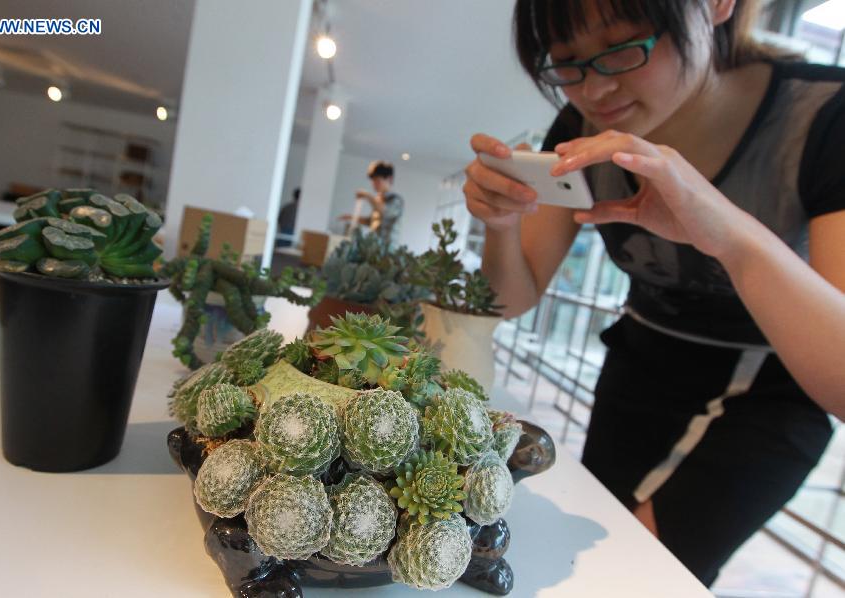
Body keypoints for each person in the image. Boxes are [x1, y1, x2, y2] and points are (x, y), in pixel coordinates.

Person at [464, 0, 845, 586]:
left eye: (623, 45)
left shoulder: (822, 115)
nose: (596, 87)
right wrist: (501, 224)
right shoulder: (578, 129)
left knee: (641, 578)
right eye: (568, 62)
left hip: (771, 392)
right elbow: (511, 298)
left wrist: (731, 234)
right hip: (640, 367)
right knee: (584, 562)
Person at [340, 160, 404, 245]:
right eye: (373, 181)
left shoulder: (395, 200)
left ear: (389, 179)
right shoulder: (378, 199)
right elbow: (370, 222)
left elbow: (385, 211)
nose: (374, 184)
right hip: (374, 246)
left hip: (387, 250)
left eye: (377, 180)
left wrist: (367, 195)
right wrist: (352, 217)